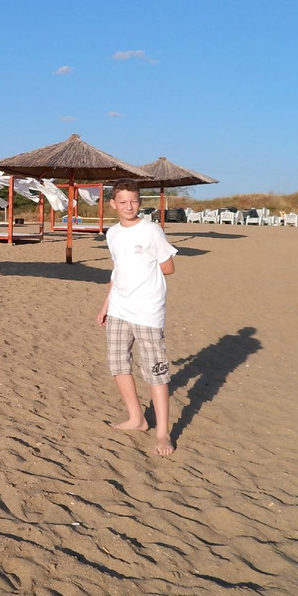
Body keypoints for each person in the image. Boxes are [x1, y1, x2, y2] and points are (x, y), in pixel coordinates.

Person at [96, 179, 179, 456]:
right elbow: (117, 269)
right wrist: (106, 304)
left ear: (140, 202)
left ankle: (163, 432)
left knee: (156, 370)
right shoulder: (112, 233)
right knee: (118, 363)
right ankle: (136, 418)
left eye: (133, 201)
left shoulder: (151, 230)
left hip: (147, 310)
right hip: (118, 308)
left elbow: (168, 267)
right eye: (123, 202)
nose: (128, 206)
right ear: (113, 204)